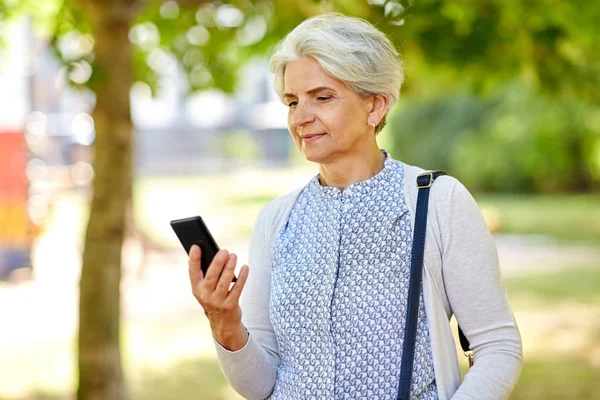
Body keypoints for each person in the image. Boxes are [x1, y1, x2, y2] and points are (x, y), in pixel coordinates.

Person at [188, 13, 523, 400]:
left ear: (375, 107)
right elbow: (260, 386)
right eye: (292, 101)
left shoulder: (437, 202)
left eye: (322, 97)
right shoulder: (277, 220)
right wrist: (225, 325)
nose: (301, 117)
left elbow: (497, 347)